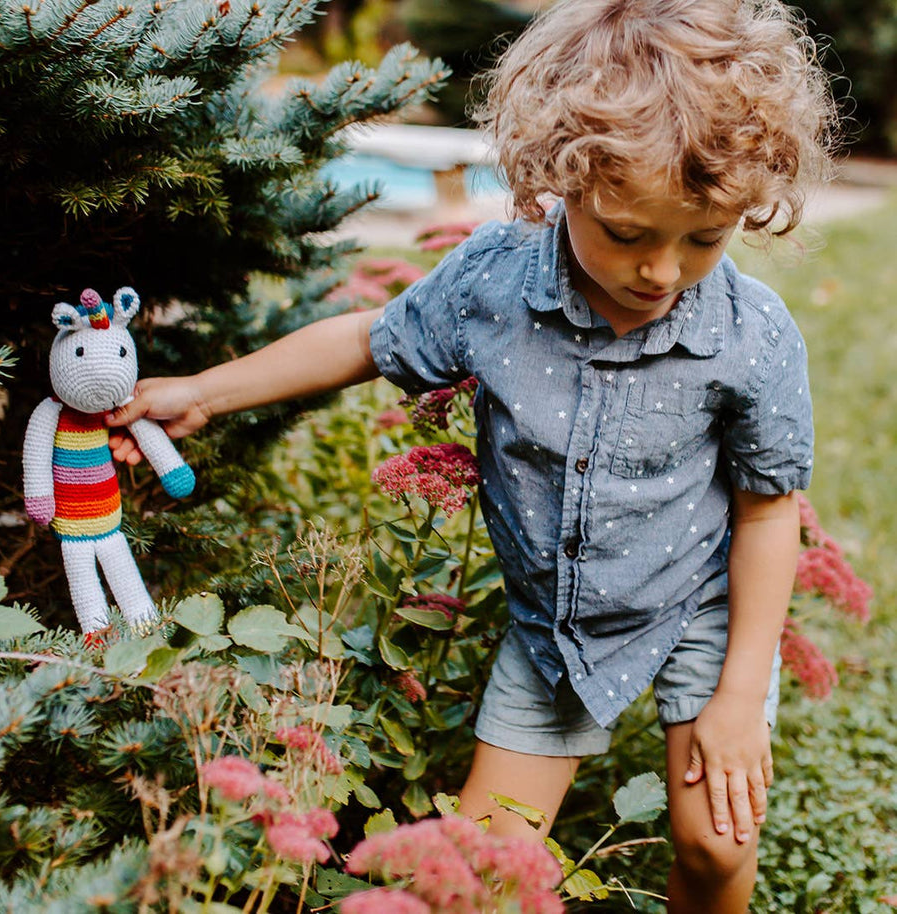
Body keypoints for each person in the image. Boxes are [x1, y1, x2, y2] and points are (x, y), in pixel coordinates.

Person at [107, 1, 839, 910]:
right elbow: (365, 341)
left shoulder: (752, 333)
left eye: (703, 238)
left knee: (716, 845)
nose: (660, 271)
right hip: (555, 631)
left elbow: (769, 514)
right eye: (626, 234)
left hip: (703, 608)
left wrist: (737, 700)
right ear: (558, 181)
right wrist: (200, 392)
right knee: (479, 872)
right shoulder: (493, 282)